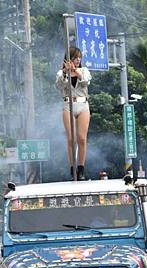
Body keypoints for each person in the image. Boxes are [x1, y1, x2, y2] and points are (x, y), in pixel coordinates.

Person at [55, 46, 92, 181]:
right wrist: (66, 72)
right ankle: (72, 168)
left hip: (83, 105)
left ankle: (81, 169)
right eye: (75, 58)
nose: (78, 60)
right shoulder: (61, 73)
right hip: (68, 105)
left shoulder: (84, 70)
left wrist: (76, 70)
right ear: (68, 59)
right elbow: (59, 86)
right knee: (71, 139)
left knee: (82, 138)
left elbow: (86, 82)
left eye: (79, 58)